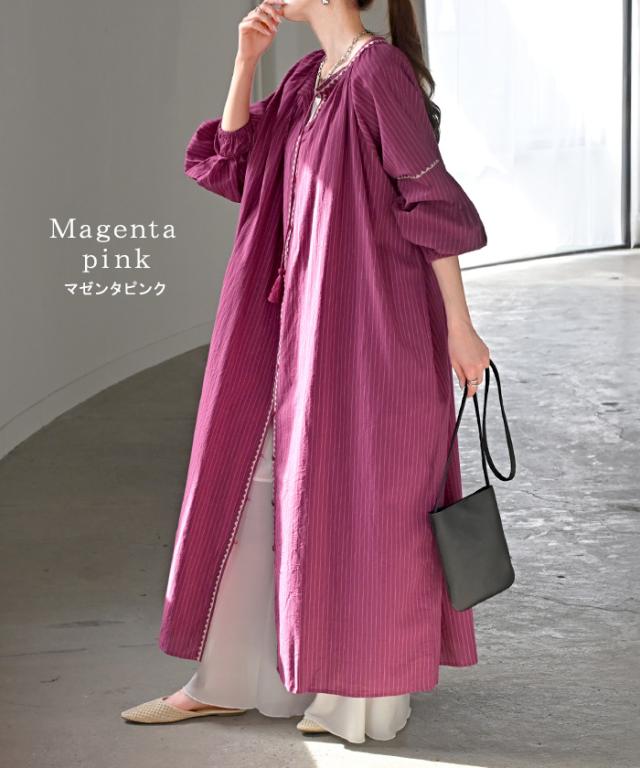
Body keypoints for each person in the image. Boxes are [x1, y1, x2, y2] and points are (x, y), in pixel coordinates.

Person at [121, 0, 490, 744]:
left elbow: (430, 200)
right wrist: (243, 63)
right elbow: (235, 168)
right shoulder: (305, 78)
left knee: (363, 496)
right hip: (291, 323)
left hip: (370, 323)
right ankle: (231, 678)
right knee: (255, 487)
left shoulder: (380, 74)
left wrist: (460, 326)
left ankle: (359, 690)